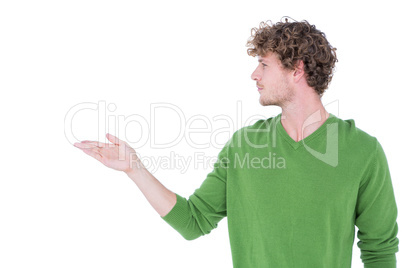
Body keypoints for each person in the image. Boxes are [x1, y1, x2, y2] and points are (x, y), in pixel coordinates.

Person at [73, 18, 399, 268]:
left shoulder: (363, 151)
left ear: (297, 70)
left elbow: (380, 249)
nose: (254, 75)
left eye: (264, 64)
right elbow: (193, 221)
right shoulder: (245, 146)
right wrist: (135, 169)